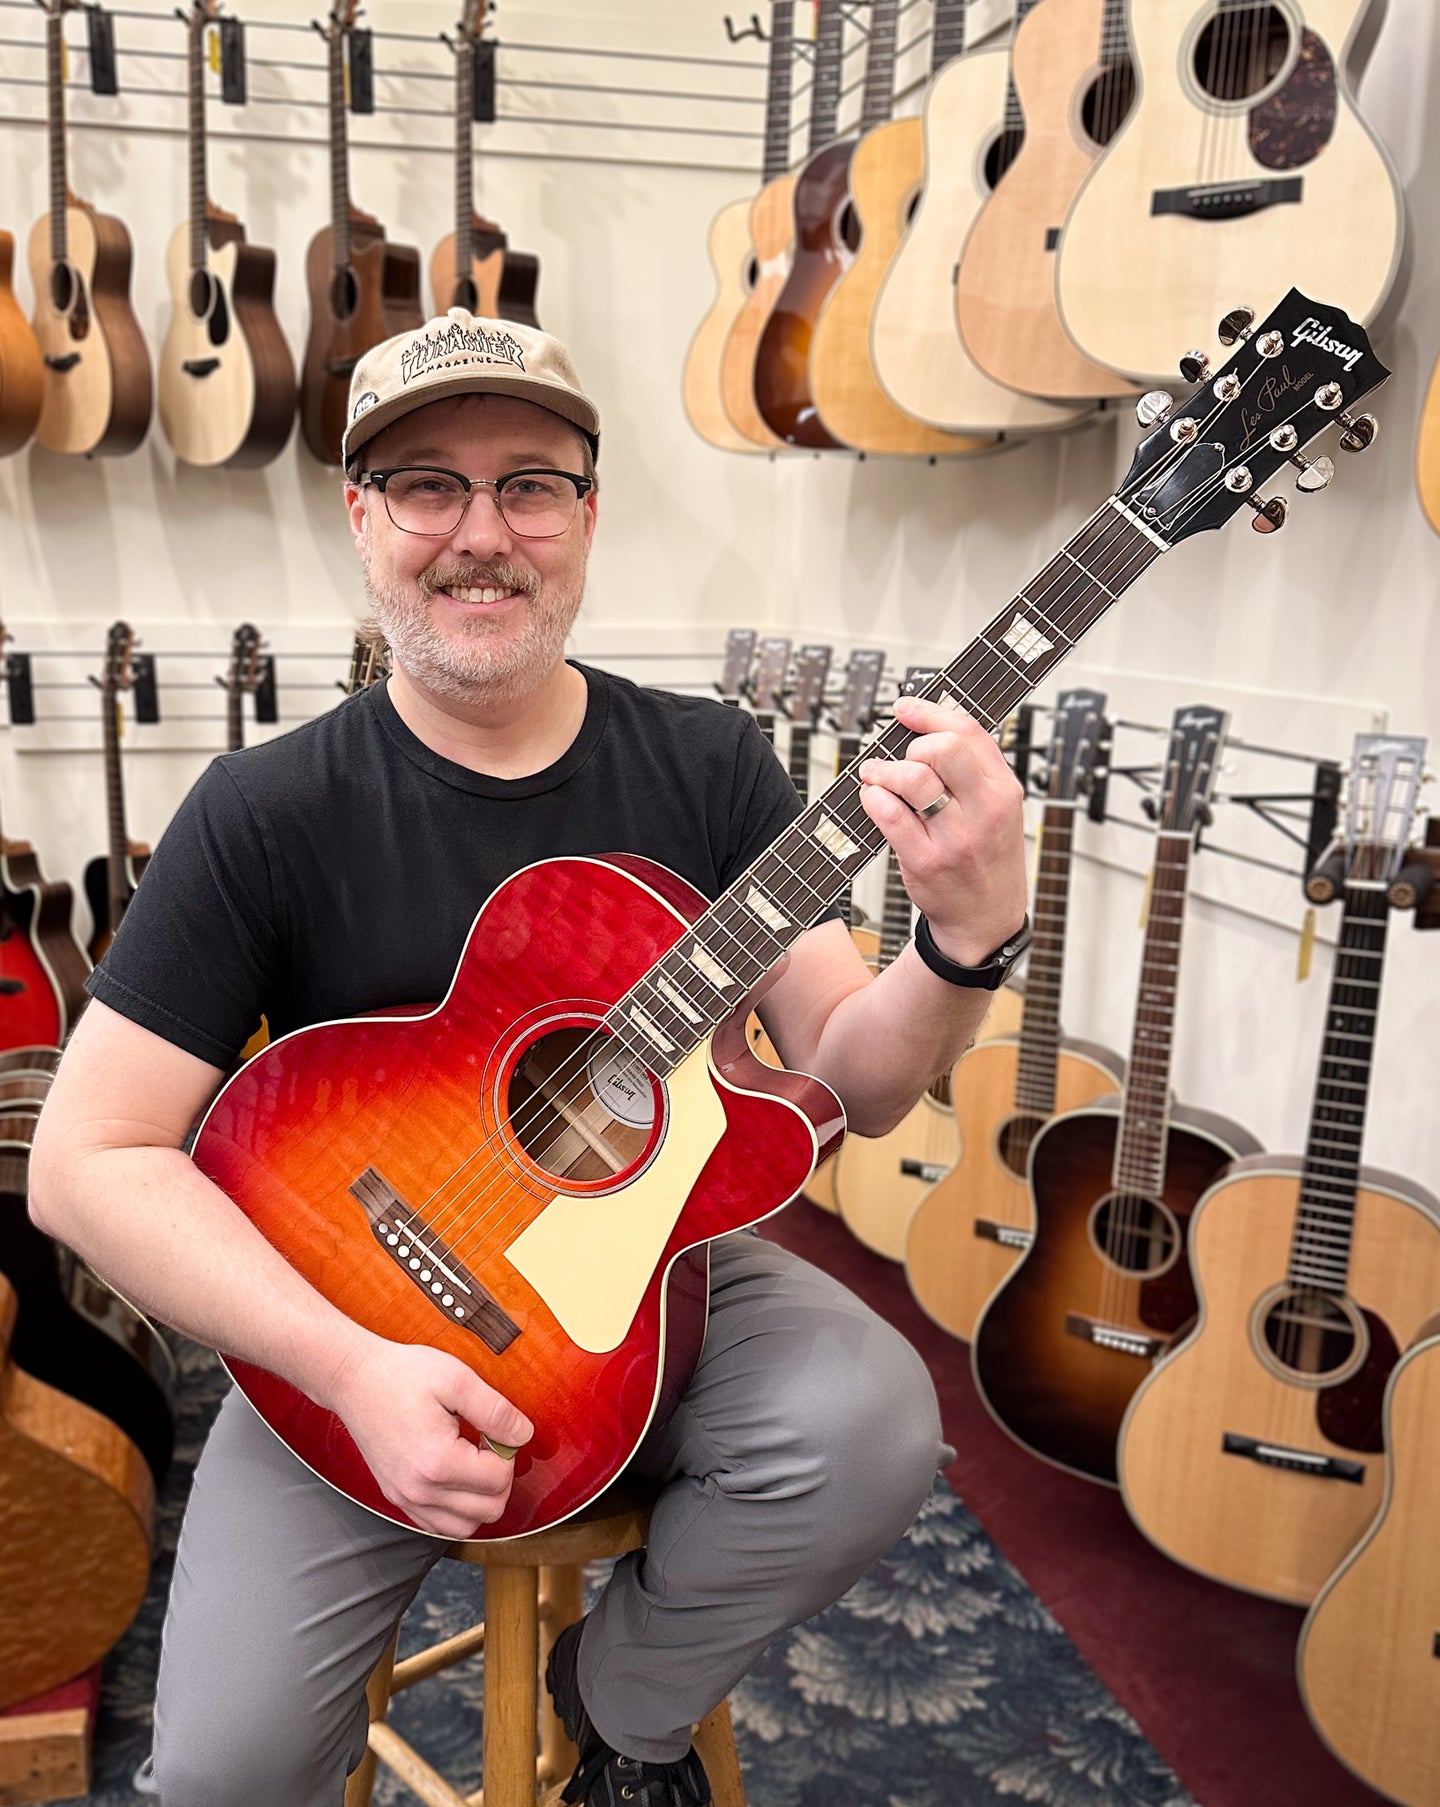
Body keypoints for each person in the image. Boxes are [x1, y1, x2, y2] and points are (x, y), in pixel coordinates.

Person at [30, 310, 1030, 1807]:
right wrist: (348, 1368)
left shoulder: (706, 769)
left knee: (871, 1423)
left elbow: (853, 1074)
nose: (480, 533)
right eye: (428, 484)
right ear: (362, 518)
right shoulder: (265, 812)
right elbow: (84, 1162)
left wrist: (960, 945)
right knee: (219, 1783)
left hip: (640, 1283)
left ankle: (622, 1700)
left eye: (530, 485)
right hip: (341, 1302)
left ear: (586, 516)